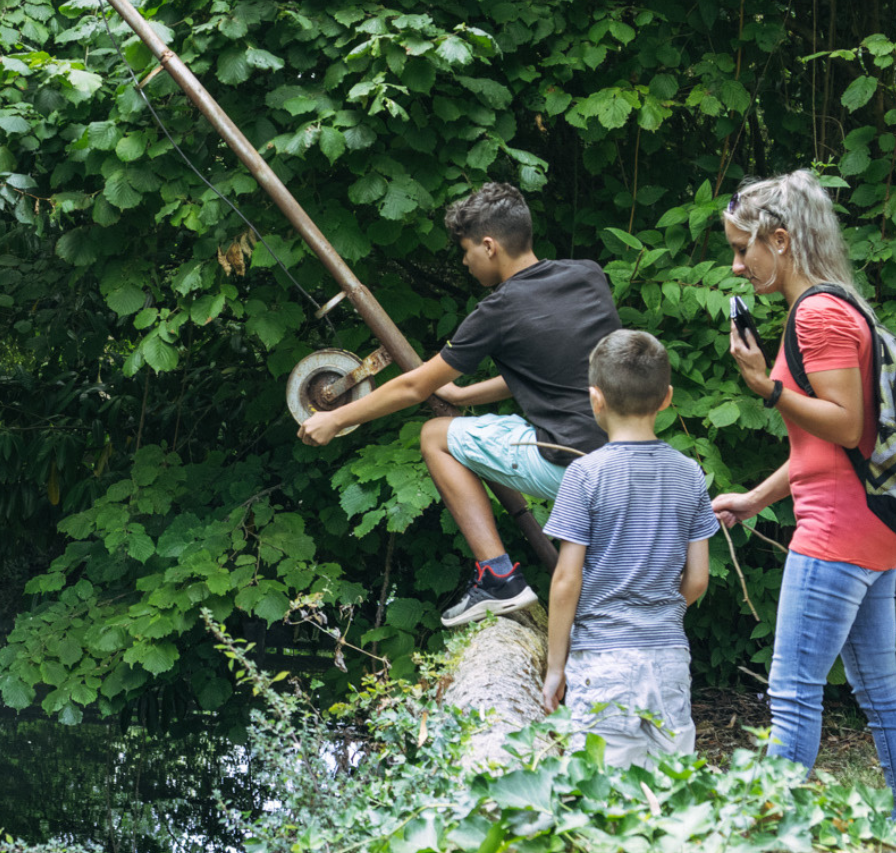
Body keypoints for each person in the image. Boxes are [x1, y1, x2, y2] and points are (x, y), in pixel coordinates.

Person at [296, 181, 621, 626]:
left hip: (571, 468)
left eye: (466, 251)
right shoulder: (588, 275)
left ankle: (499, 577)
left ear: (489, 246)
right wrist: (462, 394)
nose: (465, 262)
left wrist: (336, 419)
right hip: (622, 458)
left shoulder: (498, 310)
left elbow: (413, 388)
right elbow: (552, 366)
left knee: (435, 436)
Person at [709, 170, 896, 826]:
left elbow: (847, 425)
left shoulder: (818, 314)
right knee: (879, 688)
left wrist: (765, 386)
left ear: (780, 240)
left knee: (794, 693)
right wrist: (756, 498)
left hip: (837, 532)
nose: (738, 266)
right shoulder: (837, 304)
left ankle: (769, 842)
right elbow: (821, 450)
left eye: (744, 249)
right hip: (872, 527)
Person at [541, 329, 717, 764]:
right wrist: (658, 616)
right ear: (667, 398)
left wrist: (555, 667)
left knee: (602, 786)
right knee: (671, 782)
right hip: (669, 655)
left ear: (595, 399)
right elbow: (697, 580)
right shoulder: (690, 474)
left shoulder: (585, 475)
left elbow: (566, 581)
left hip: (602, 658)